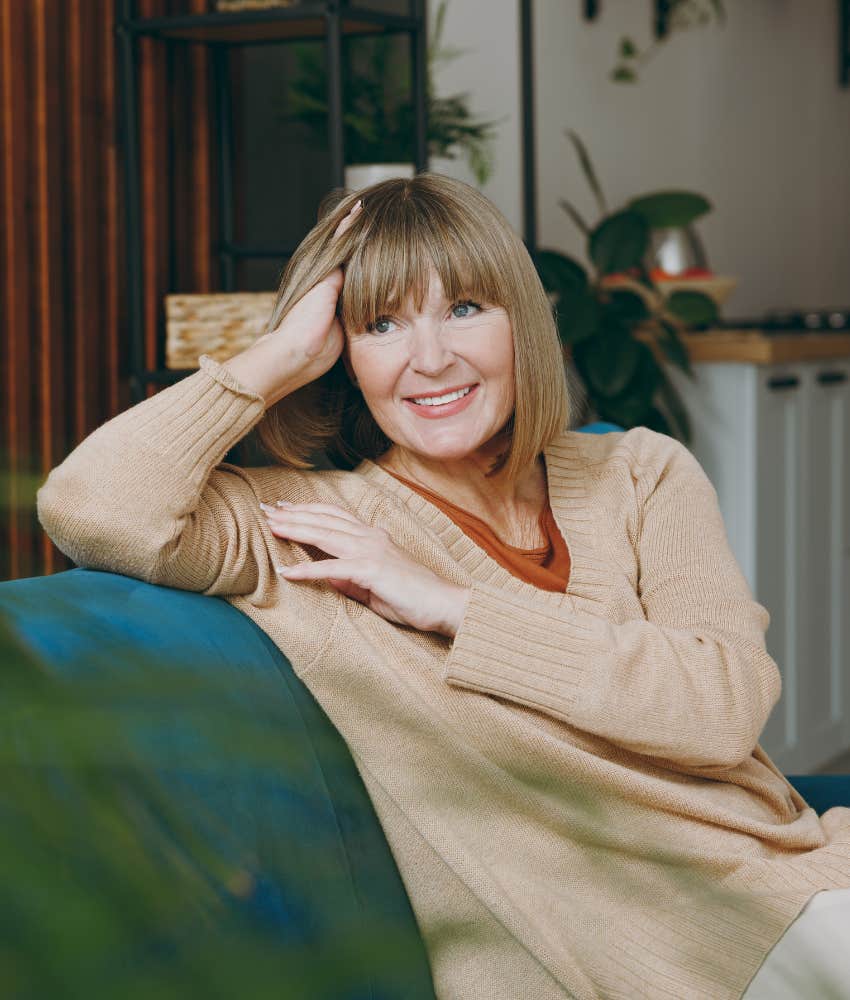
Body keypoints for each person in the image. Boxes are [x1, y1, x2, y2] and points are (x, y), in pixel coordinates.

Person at [37, 174, 850, 999]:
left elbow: (722, 708)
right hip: (672, 962)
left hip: (802, 890)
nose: (431, 358)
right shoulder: (311, 531)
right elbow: (89, 507)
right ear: (342, 357)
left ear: (519, 322)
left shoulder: (639, 472)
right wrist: (275, 355)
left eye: (464, 308)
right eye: (381, 324)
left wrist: (452, 607)